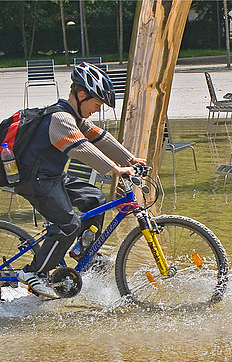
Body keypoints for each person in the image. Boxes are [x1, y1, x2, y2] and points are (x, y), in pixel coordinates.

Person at [14, 62, 146, 299]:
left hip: (51, 177)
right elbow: (82, 148)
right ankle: (33, 273)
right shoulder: (60, 119)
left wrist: (130, 158)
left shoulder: (76, 118)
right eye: (97, 104)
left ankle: (82, 251)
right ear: (81, 95)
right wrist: (115, 169)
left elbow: (100, 139)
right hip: (35, 180)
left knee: (95, 198)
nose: (97, 109)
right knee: (69, 225)